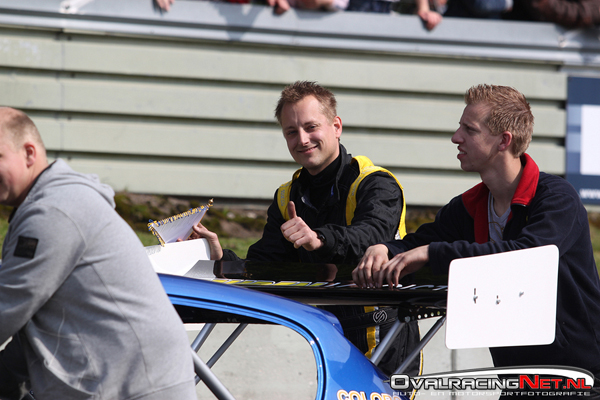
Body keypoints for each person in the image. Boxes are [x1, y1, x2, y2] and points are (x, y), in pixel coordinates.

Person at [353, 84, 600, 382]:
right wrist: (386, 249)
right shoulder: (467, 206)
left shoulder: (557, 198)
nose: (456, 137)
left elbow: (526, 256)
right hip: (517, 378)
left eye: (469, 130)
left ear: (503, 141)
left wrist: (432, 254)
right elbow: (418, 243)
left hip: (582, 378)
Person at [192, 81, 421, 377]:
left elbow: (372, 238)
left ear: (336, 127)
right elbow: (265, 266)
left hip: (385, 330)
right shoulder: (287, 195)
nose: (302, 139)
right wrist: (220, 257)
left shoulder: (376, 183)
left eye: (311, 127)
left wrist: (319, 239)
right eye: (291, 132)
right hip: (330, 334)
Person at [0, 108, 196, 400]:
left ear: (29, 153)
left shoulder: (54, 212)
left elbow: (7, 307)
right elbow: (31, 324)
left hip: (136, 389)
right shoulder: (54, 203)